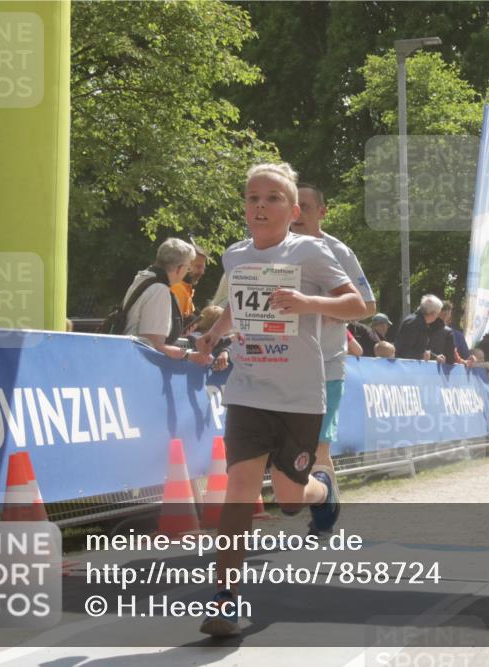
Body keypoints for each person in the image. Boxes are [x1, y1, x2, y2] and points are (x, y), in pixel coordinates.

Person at [195, 162, 365, 637]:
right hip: (248, 389)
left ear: (293, 211)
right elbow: (238, 304)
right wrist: (212, 335)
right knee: (240, 488)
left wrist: (309, 303)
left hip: (299, 396)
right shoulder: (234, 255)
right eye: (252, 198)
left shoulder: (309, 251)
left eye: (272, 198)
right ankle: (226, 597)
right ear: (245, 207)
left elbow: (358, 305)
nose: (260, 206)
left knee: (291, 498)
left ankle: (322, 489)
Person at [292, 183, 375, 526]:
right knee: (292, 452)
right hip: (281, 367)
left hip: (326, 365)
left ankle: (323, 517)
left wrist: (329, 312)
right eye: (292, 207)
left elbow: (368, 305)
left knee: (318, 447)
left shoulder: (338, 251)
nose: (297, 214)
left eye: (306, 207)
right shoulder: (270, 249)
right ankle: (323, 499)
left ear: (322, 212)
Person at [121, 238, 211, 366]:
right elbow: (153, 346)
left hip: (127, 356)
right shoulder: (160, 291)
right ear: (179, 268)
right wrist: (189, 356)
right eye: (188, 268)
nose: (187, 273)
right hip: (137, 364)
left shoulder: (144, 277)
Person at [395, 294, 455, 362]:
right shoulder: (413, 323)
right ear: (432, 313)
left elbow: (420, 350)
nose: (438, 317)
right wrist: (422, 356)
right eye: (438, 314)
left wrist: (436, 357)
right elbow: (402, 351)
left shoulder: (421, 323)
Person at [170, 242, 208, 331]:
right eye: (198, 267)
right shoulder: (178, 289)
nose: (202, 272)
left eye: (203, 268)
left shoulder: (186, 290)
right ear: (185, 265)